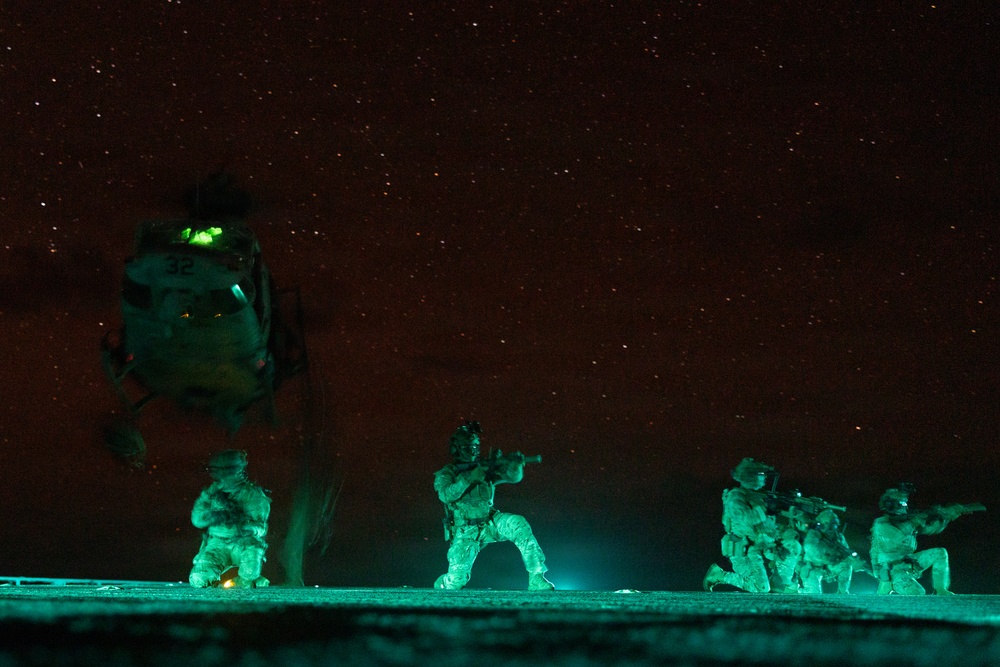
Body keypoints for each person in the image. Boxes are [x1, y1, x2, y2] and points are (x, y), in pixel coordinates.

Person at [433, 421, 554, 591]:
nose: (473, 452)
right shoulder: (448, 472)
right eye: (468, 448)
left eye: (475, 448)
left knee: (518, 523)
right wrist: (468, 478)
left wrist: (515, 465)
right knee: (456, 581)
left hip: (489, 522)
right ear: (457, 449)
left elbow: (512, 477)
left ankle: (536, 577)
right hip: (464, 531)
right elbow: (445, 495)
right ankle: (443, 583)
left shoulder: (484, 469)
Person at [703, 457, 802, 593]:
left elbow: (772, 525)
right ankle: (719, 575)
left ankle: (780, 583)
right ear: (749, 476)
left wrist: (791, 514)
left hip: (761, 545)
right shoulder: (735, 496)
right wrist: (766, 507)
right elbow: (745, 519)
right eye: (760, 475)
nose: (764, 478)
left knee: (792, 545)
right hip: (743, 549)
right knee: (761, 588)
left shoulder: (759, 496)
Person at [870, 484, 984, 595]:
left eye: (905, 502)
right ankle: (889, 585)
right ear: (891, 505)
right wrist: (913, 522)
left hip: (908, 562)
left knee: (939, 552)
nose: (905, 505)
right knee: (917, 593)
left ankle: (940, 589)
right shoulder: (881, 523)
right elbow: (897, 538)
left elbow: (931, 529)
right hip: (891, 570)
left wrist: (946, 517)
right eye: (902, 503)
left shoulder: (906, 521)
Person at [189, 449, 271, 588]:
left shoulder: (252, 495)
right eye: (218, 470)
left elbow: (260, 527)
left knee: (250, 572)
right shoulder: (211, 493)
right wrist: (217, 516)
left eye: (226, 470)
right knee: (199, 579)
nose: (223, 475)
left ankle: (248, 580)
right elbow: (197, 520)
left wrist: (244, 527)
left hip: (243, 543)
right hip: (217, 544)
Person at [799, 509, 864, 594]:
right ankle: (799, 590)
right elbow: (810, 547)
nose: (831, 527)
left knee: (846, 565)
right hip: (814, 568)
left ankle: (842, 591)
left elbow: (846, 552)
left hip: (830, 568)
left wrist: (854, 561)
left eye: (834, 524)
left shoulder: (838, 537)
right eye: (827, 524)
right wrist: (828, 557)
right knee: (814, 594)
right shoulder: (814, 534)